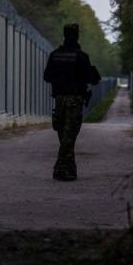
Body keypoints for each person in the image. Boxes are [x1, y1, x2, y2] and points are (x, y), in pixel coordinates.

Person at [43, 23, 101, 181]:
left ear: (64, 34)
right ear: (77, 35)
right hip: (75, 99)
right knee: (69, 136)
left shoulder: (55, 55)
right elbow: (92, 78)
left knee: (64, 135)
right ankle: (60, 168)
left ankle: (69, 169)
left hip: (59, 99)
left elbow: (47, 76)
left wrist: (60, 77)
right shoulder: (81, 56)